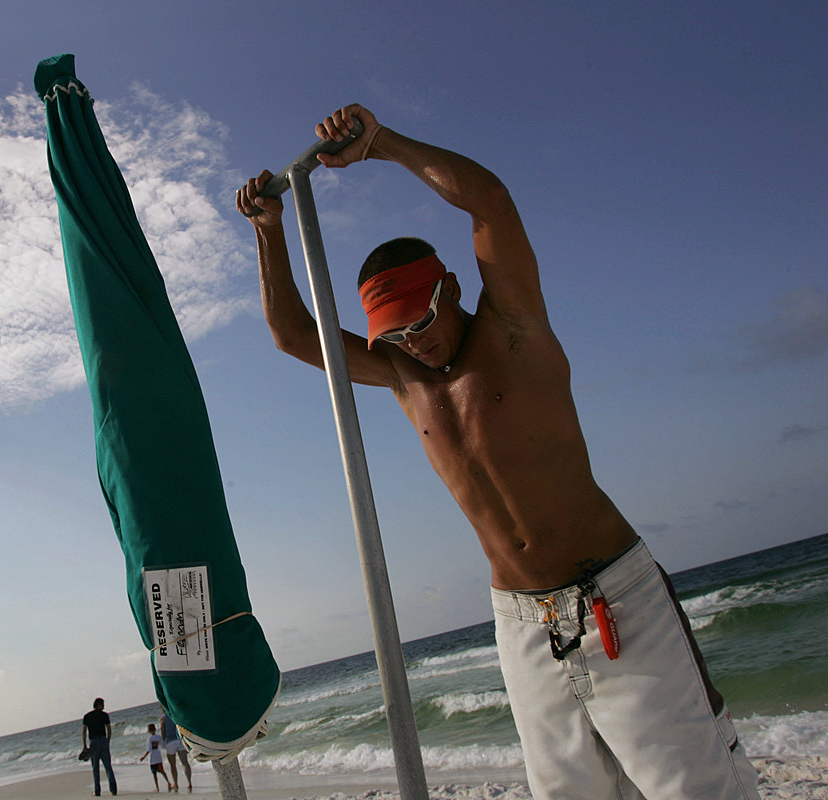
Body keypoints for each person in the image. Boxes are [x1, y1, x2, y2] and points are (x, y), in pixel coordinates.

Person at [237, 103, 761, 800]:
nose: (415, 341)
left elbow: (489, 203)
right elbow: (293, 336)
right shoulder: (403, 375)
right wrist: (269, 232)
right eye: (396, 334)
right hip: (521, 623)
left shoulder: (514, 327)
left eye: (422, 319)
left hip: (615, 598)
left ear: (451, 287)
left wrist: (381, 144)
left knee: (694, 786)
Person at [80, 697, 117, 797]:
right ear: (98, 705)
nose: (104, 706)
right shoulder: (105, 715)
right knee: (108, 766)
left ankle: (97, 791)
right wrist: (107, 741)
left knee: (95, 768)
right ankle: (113, 789)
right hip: (103, 741)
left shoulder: (87, 716)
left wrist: (84, 746)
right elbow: (109, 729)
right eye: (103, 704)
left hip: (94, 742)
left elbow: (83, 732)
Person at [159, 712, 191, 793]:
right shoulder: (175, 714)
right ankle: (189, 783)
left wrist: (164, 742)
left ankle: (176, 784)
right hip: (179, 740)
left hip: (170, 742)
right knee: (185, 763)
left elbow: (163, 731)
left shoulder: (162, 718)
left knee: (172, 765)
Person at [138, 724, 172, 793]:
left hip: (152, 758)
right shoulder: (159, 737)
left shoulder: (149, 739)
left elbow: (149, 749)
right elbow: (163, 745)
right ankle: (168, 782)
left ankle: (157, 787)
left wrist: (143, 757)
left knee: (154, 773)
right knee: (162, 771)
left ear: (148, 731)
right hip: (158, 756)